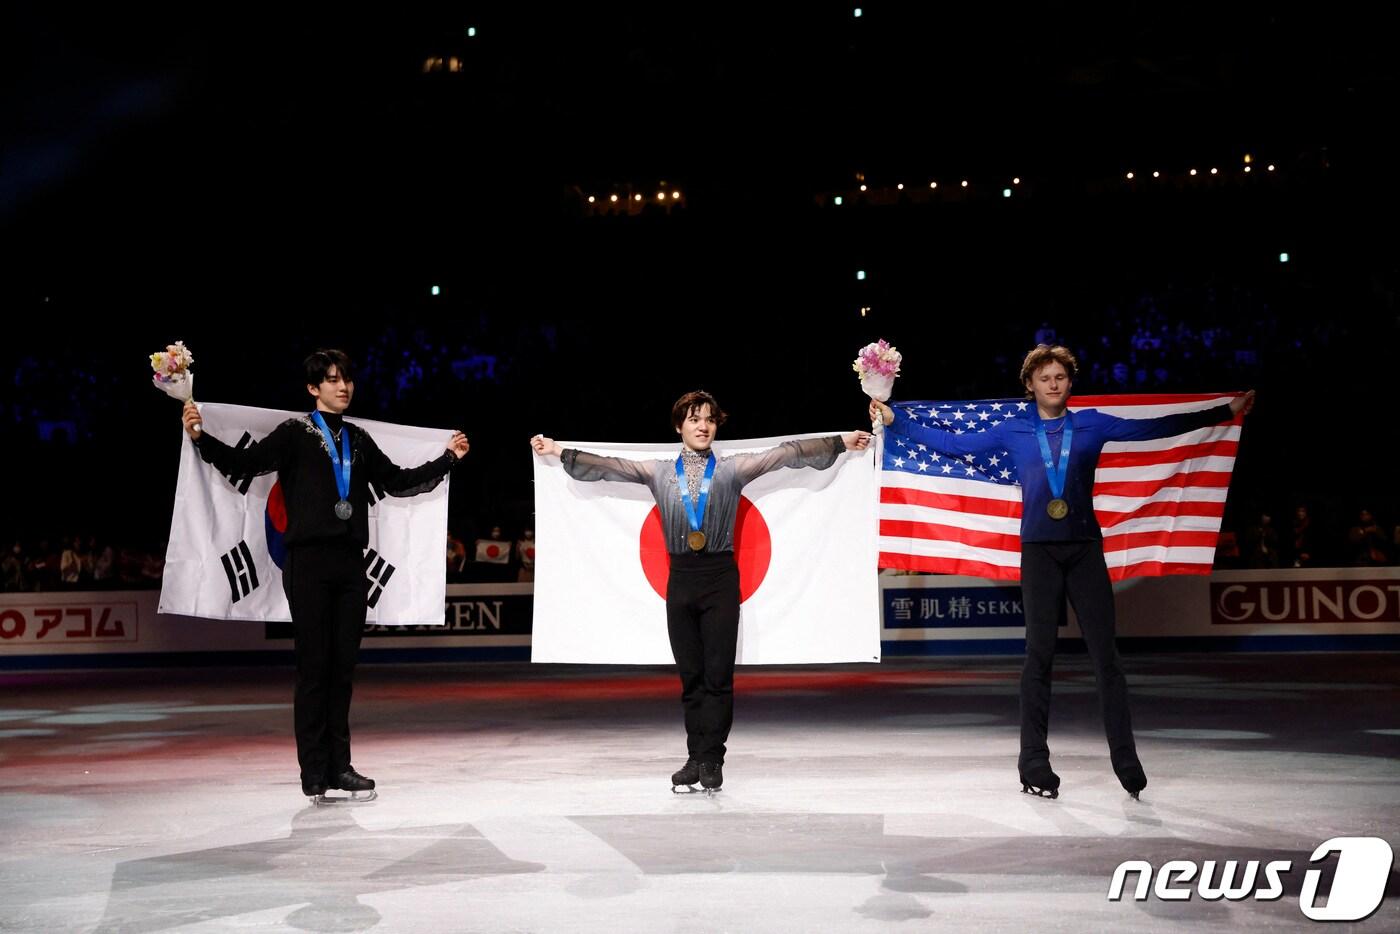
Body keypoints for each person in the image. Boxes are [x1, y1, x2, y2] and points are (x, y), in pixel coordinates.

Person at [872, 344, 1254, 800]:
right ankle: (1033, 763)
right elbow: (954, 445)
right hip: (1039, 553)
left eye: (1060, 377)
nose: (1053, 384)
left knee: (1106, 659)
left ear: (1069, 383)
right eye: (1045, 378)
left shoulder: (1090, 423)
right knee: (1039, 657)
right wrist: (899, 421)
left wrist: (1223, 411)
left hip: (1085, 551)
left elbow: (1154, 427)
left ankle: (1126, 761)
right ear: (1030, 385)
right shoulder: (1014, 428)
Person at [531, 390, 872, 793]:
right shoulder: (659, 473)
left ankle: (713, 758)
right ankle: (694, 757)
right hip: (681, 581)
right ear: (680, 426)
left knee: (718, 677)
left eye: (709, 419)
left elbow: (786, 453)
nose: (703, 425)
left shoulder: (730, 470)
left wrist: (838, 443)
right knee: (691, 678)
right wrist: (559, 451)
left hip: (720, 580)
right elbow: (610, 466)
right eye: (694, 419)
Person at [182, 349, 470, 801]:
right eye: (332, 381)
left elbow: (397, 481)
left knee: (343, 670)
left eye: (347, 380)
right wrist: (200, 437)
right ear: (313, 389)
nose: (343, 387)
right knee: (314, 670)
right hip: (308, 564)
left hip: (350, 564)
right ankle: (313, 772)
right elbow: (246, 465)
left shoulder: (357, 439)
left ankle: (342, 766)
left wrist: (448, 460)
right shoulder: (294, 434)